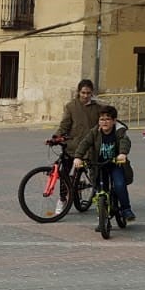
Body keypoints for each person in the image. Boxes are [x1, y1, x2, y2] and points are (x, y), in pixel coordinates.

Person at [73, 105, 135, 221]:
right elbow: (84, 143)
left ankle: (126, 209)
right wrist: (78, 157)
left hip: (115, 164)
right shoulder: (94, 132)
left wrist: (122, 153)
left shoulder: (119, 131)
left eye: (108, 119)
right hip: (98, 166)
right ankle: (102, 218)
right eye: (102, 119)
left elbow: (124, 141)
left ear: (114, 121)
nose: (104, 122)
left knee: (120, 185)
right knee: (100, 191)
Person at [53, 80, 100, 215]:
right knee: (64, 173)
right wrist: (56, 136)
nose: (86, 96)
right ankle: (62, 199)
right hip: (72, 146)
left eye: (88, 93)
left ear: (92, 93)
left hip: (90, 147)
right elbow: (65, 125)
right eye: (83, 93)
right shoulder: (71, 107)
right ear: (78, 92)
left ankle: (99, 199)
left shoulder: (97, 108)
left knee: (95, 174)